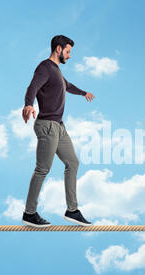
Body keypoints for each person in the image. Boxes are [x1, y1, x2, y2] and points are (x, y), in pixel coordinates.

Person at [21, 35, 94, 228]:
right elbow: (33, 86)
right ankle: (29, 213)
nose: (69, 56)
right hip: (47, 126)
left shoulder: (57, 73)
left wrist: (83, 93)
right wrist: (28, 104)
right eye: (68, 52)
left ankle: (72, 210)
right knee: (42, 169)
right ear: (58, 49)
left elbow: (68, 86)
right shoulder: (45, 67)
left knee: (73, 162)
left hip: (59, 127)